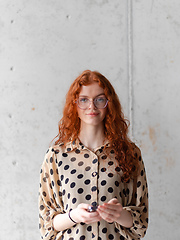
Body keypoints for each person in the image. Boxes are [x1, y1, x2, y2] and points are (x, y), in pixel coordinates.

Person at [39, 70, 148, 240]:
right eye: (84, 100)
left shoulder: (130, 153)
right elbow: (46, 224)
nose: (92, 106)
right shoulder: (56, 156)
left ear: (108, 103)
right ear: (74, 104)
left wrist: (118, 214)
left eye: (99, 99)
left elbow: (140, 221)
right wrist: (73, 216)